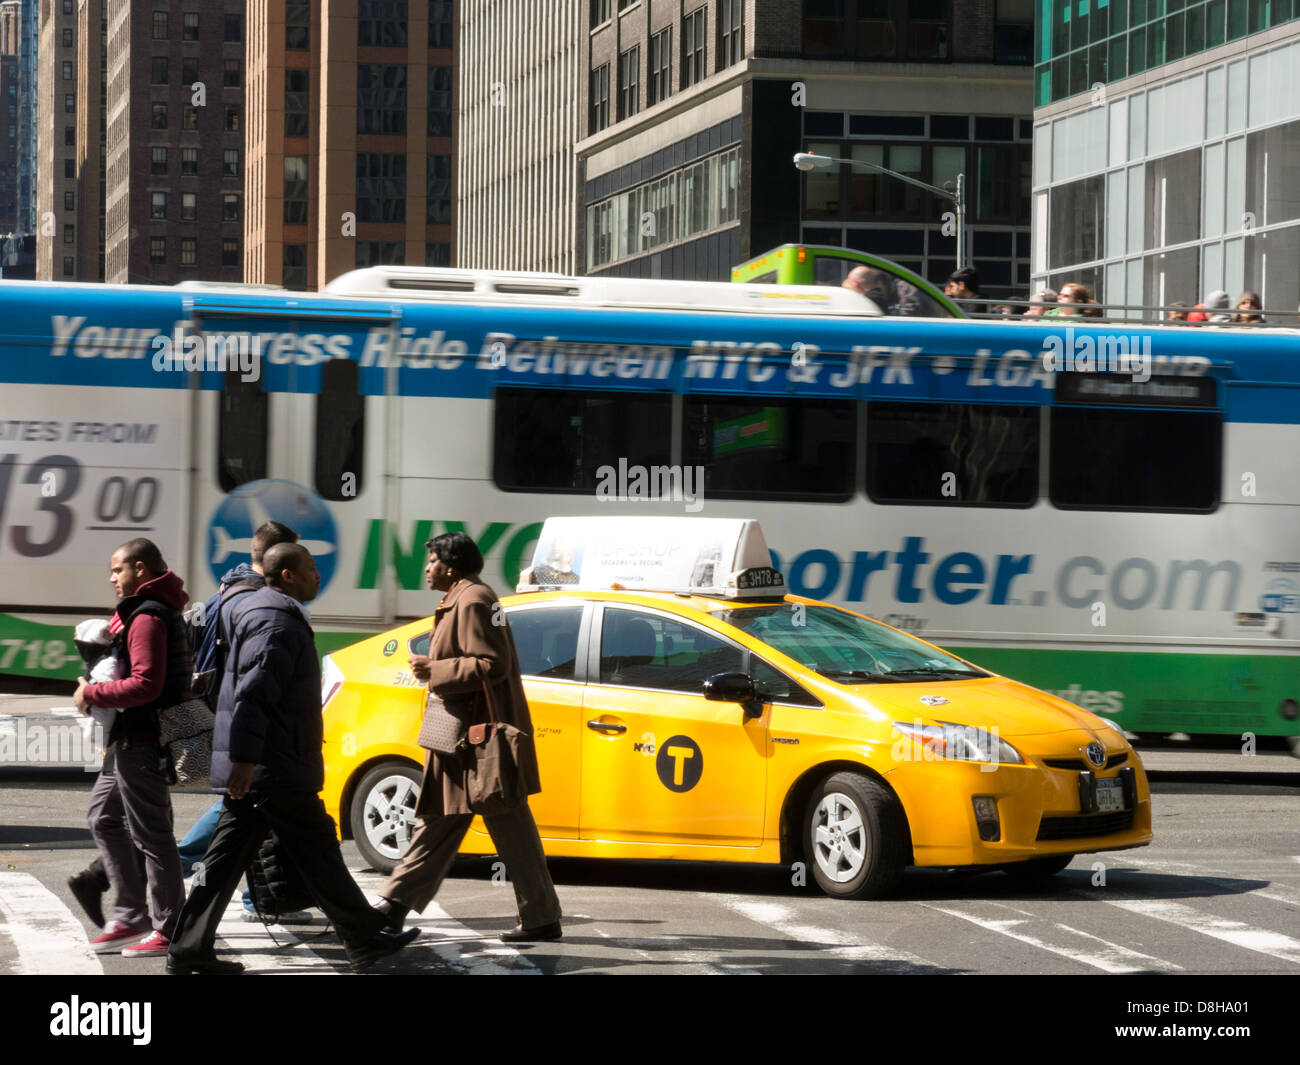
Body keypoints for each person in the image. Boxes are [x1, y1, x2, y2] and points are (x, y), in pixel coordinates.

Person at [166, 544, 419, 974]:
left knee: (231, 861)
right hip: (273, 764)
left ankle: (188, 949)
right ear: (286, 574)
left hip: (269, 762)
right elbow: (254, 692)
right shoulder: (275, 620)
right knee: (315, 850)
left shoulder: (265, 611)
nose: (318, 577)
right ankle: (363, 939)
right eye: (311, 569)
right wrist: (245, 761)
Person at [373, 532, 562, 942]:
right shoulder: (462, 598)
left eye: (433, 561)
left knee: (500, 827)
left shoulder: (474, 600)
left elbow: (492, 664)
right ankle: (393, 907)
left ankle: (541, 917)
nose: (426, 569)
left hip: (474, 740)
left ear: (452, 565)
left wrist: (434, 670)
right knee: (444, 820)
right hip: (458, 736)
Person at [176, 521, 312, 925]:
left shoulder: (227, 592)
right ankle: (173, 867)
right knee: (241, 808)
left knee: (248, 811)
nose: (312, 571)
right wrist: (246, 747)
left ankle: (256, 898)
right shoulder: (257, 601)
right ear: (280, 559)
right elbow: (255, 681)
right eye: (303, 561)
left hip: (232, 720)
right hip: (244, 725)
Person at [73, 539, 190, 957]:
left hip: (143, 739)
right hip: (131, 738)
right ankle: (130, 916)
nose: (112, 579)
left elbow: (145, 684)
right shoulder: (149, 611)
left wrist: (93, 692)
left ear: (140, 569)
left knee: (153, 836)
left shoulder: (147, 616)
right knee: (103, 817)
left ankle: (169, 927)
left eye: (117, 570)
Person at [842, 265, 923, 317]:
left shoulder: (905, 290)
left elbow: (909, 321)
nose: (866, 298)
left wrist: (882, 310)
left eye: (864, 292)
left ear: (878, 284)